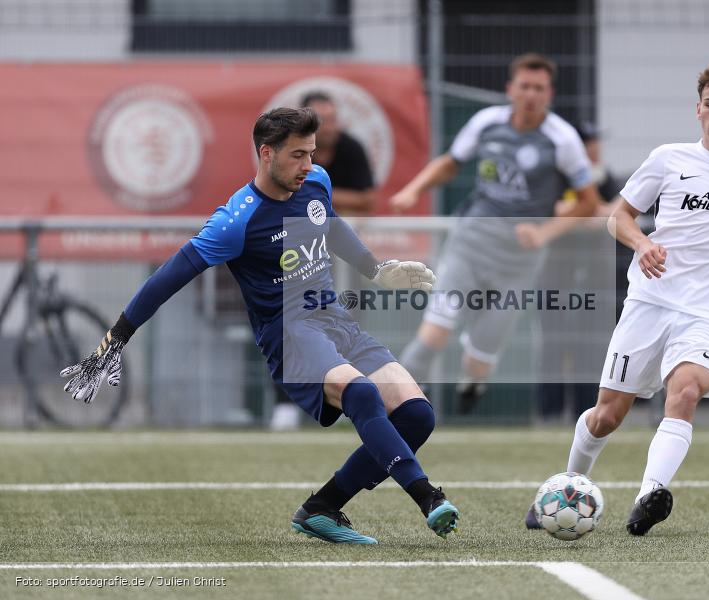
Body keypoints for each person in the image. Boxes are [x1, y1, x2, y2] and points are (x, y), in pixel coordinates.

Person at [60, 107, 459, 545]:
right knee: (360, 392)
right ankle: (427, 496)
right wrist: (116, 338)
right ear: (266, 154)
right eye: (297, 155)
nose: (308, 165)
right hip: (290, 335)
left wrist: (375, 269)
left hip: (335, 321)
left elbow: (330, 224)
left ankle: (321, 508)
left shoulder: (316, 183)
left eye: (311, 153)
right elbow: (167, 278)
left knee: (418, 415)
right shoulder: (236, 221)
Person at [526, 60, 709, 534]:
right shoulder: (669, 158)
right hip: (649, 302)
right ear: (698, 109)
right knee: (607, 415)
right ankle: (568, 484)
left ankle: (650, 495)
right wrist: (643, 244)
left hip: (708, 312)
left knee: (684, 392)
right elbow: (618, 216)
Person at [390, 53, 603, 414]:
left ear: (549, 94)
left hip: (519, 259)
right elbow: (449, 162)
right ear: (510, 89)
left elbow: (589, 202)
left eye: (539, 88)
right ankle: (396, 408)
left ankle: (473, 381)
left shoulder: (562, 140)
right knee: (434, 332)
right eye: (524, 86)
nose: (531, 94)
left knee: (482, 354)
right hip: (470, 242)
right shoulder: (486, 123)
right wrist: (413, 189)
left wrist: (545, 233)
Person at [269, 91, 378, 430]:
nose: (327, 126)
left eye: (331, 118)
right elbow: (277, 193)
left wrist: (318, 196)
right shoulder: (284, 156)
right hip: (296, 256)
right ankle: (285, 405)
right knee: (289, 329)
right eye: (320, 118)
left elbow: (366, 200)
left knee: (344, 325)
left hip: (339, 258)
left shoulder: (349, 151)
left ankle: (350, 399)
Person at [536, 122, 621, 423]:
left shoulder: (606, 177)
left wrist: (584, 211)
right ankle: (549, 413)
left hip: (596, 276)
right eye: (589, 143)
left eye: (596, 142)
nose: (595, 148)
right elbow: (554, 209)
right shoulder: (559, 177)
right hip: (557, 274)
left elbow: (615, 213)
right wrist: (585, 212)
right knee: (555, 342)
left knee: (592, 344)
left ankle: (585, 411)